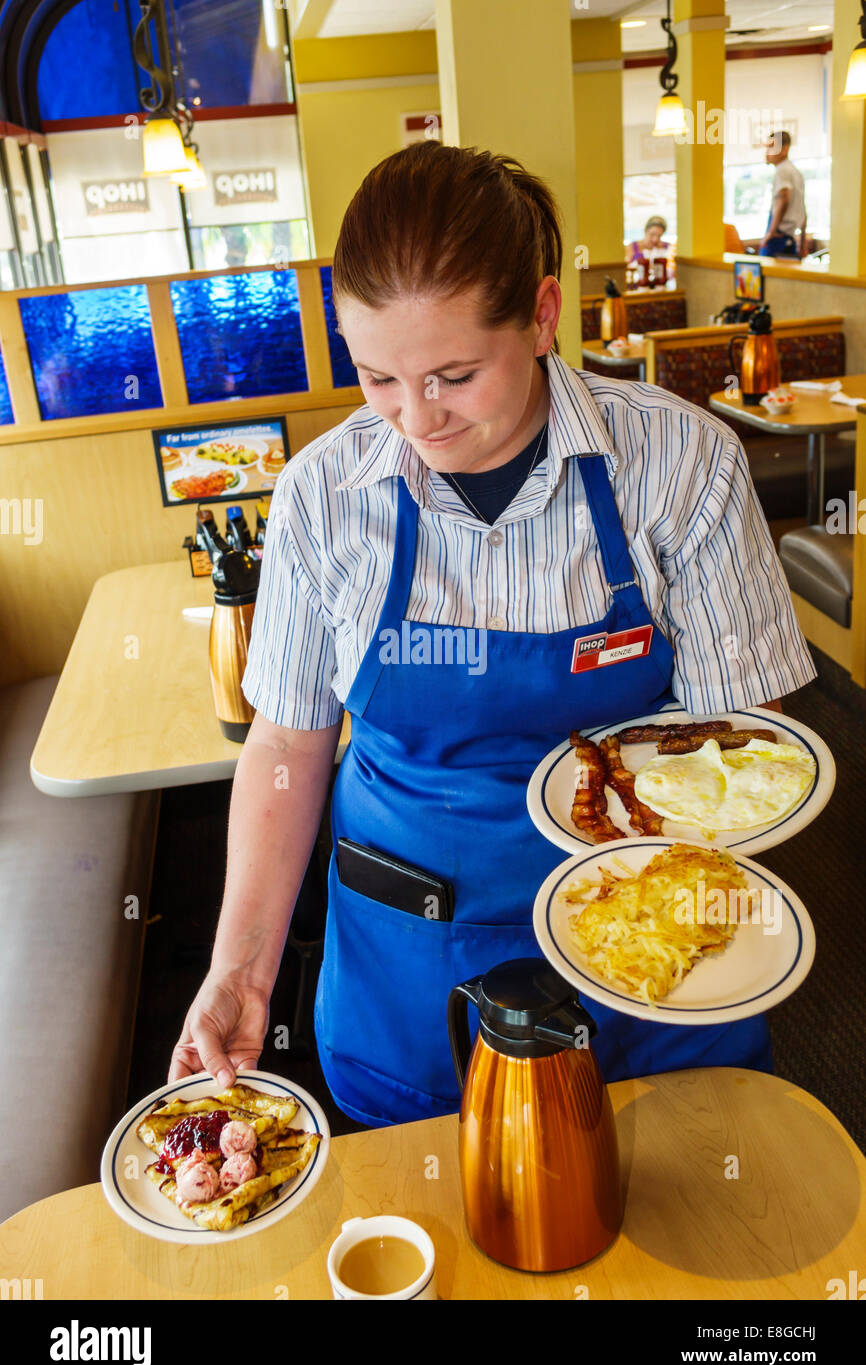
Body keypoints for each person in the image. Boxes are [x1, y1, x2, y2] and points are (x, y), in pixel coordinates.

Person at [169, 142, 817, 1128]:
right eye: (378, 376)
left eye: (454, 374)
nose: (415, 419)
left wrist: (660, 912)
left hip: (649, 929)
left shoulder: (680, 463)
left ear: (543, 314)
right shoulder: (319, 497)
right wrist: (238, 970)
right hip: (412, 952)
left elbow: (746, 740)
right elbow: (290, 743)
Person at [760, 131, 806, 258]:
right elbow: (802, 209)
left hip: (778, 237)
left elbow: (784, 199)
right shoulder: (796, 172)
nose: (767, 152)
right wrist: (803, 242)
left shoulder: (782, 170)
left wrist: (771, 232)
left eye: (772, 147)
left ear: (784, 149)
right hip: (789, 239)